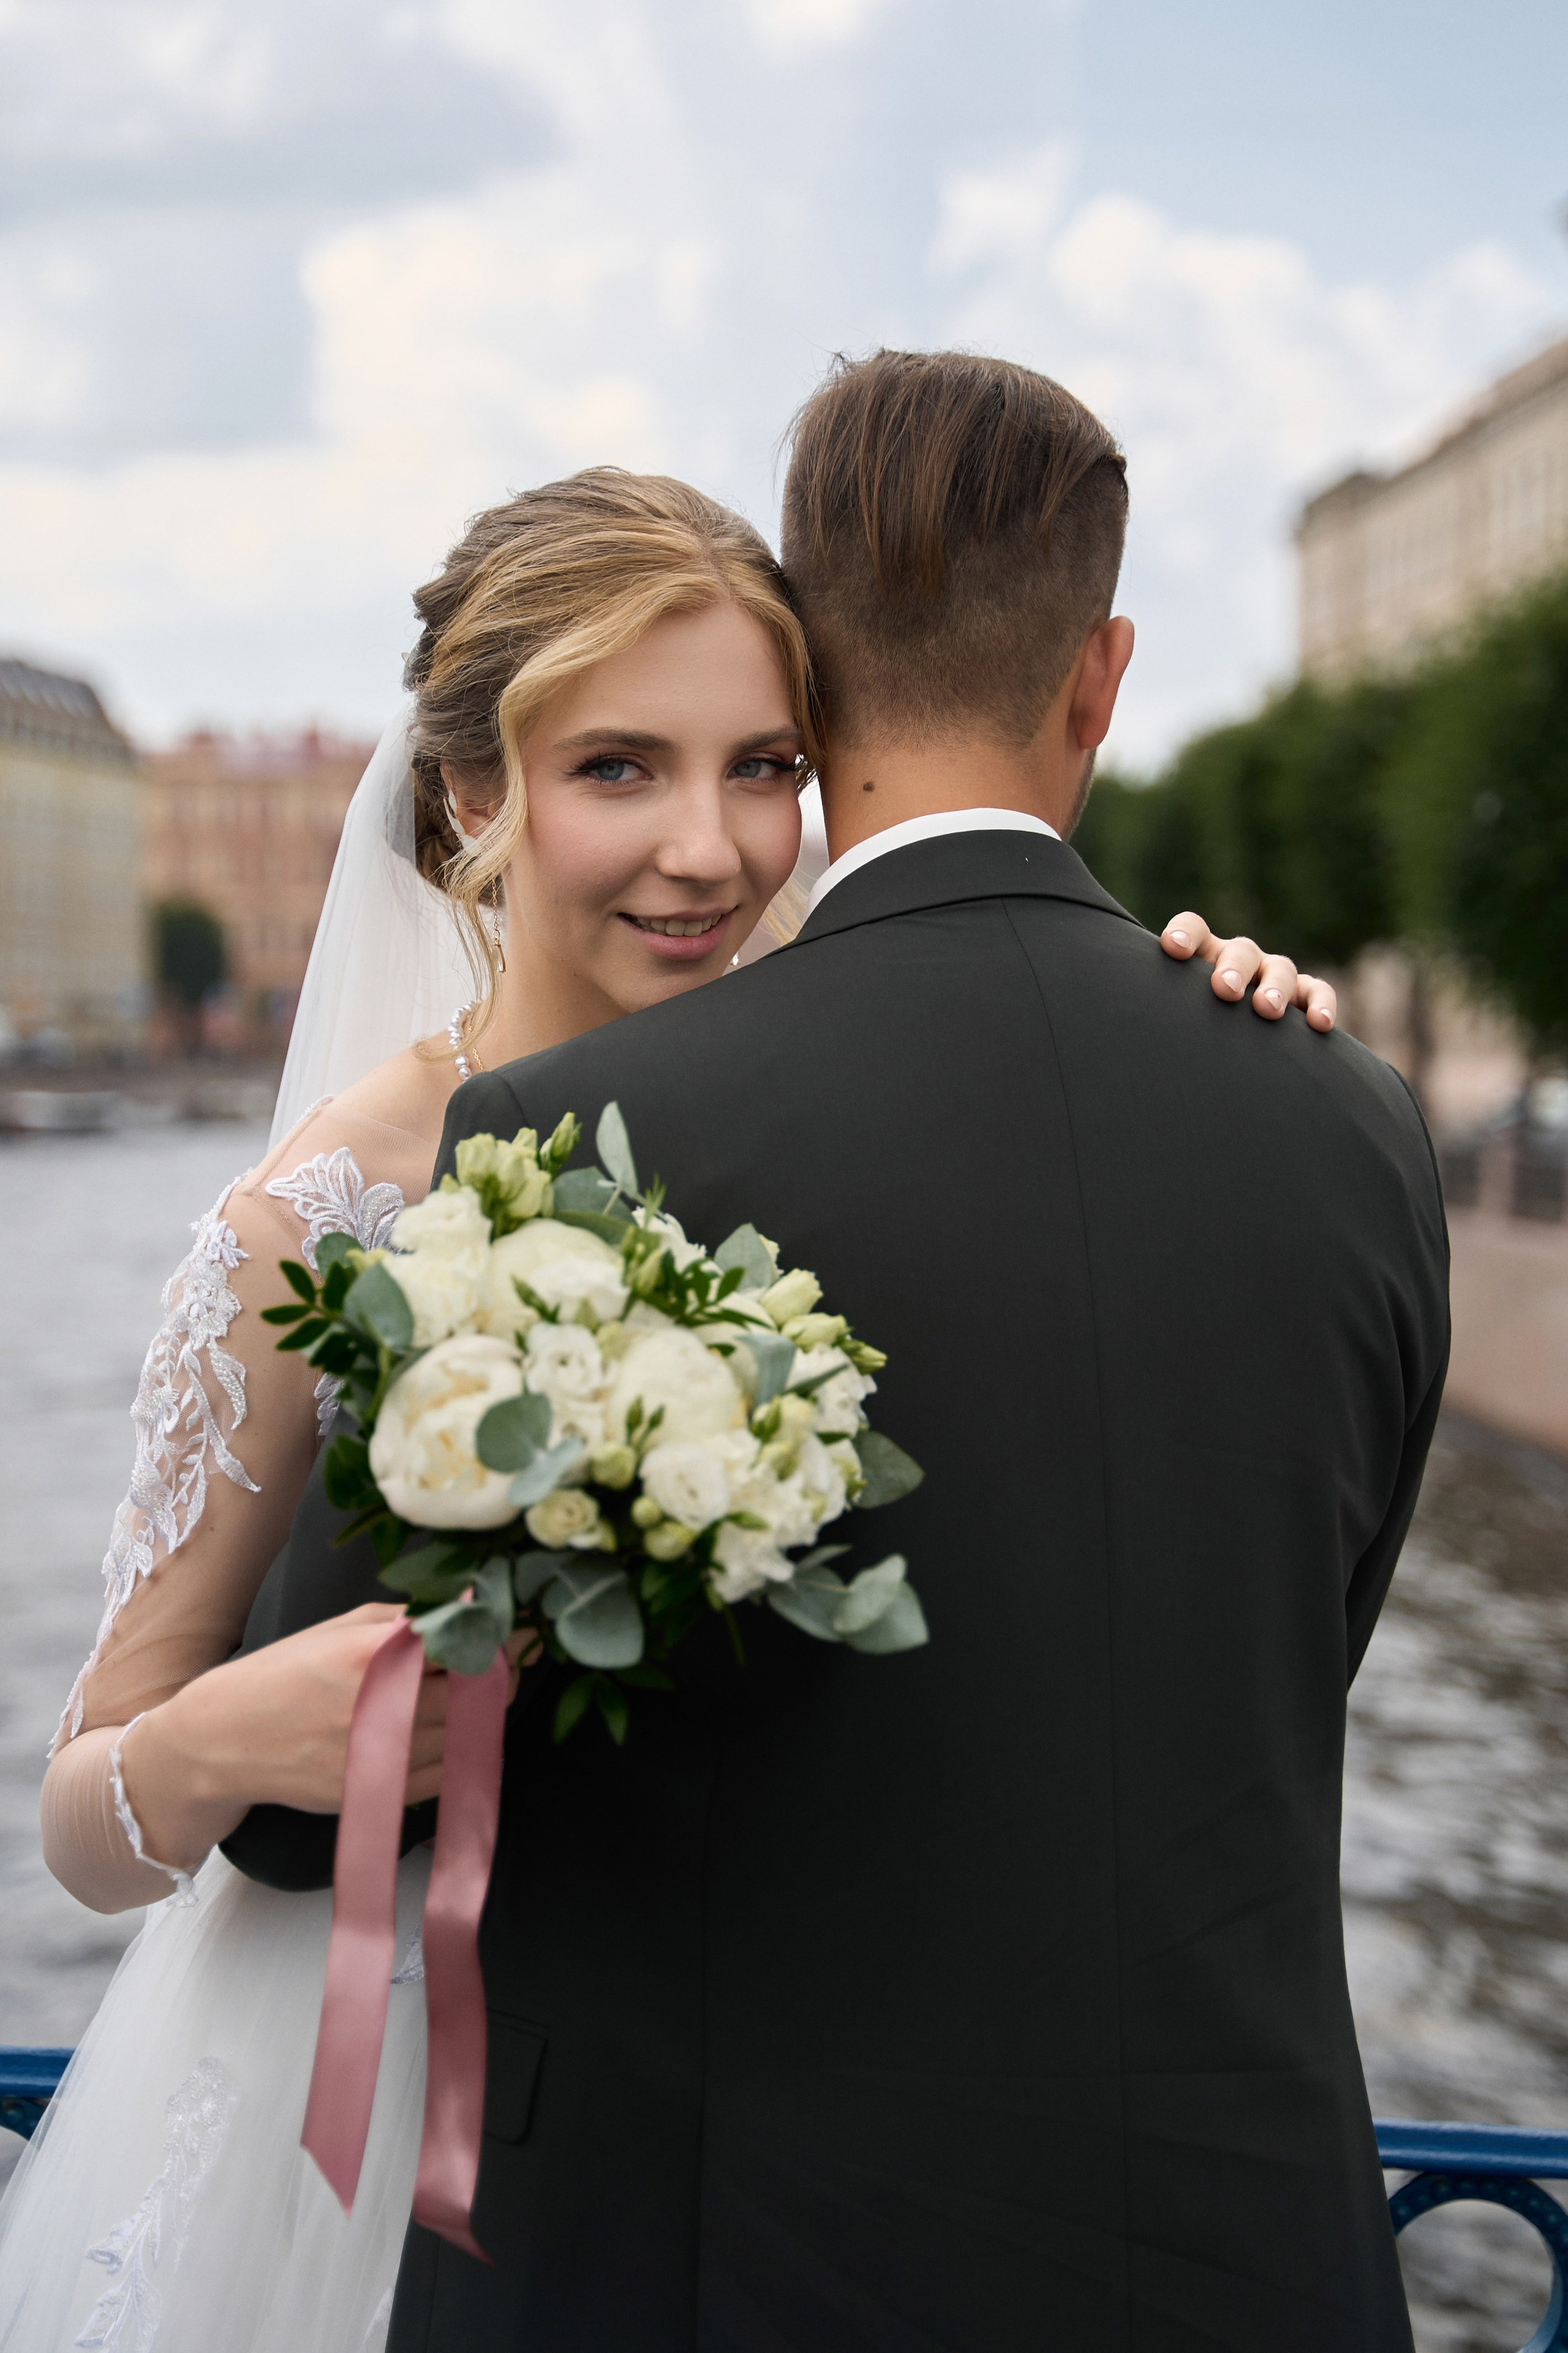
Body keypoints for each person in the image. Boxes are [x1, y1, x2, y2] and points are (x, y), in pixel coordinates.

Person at [0, 462, 1321, 2353]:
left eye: (767, 767)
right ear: (474, 791)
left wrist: (1201, 1010)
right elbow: (81, 1811)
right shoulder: (319, 1209)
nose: (710, 848)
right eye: (619, 766)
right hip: (358, 2124)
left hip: (751, 2161)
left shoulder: (841, 1115)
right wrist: (236, 1741)